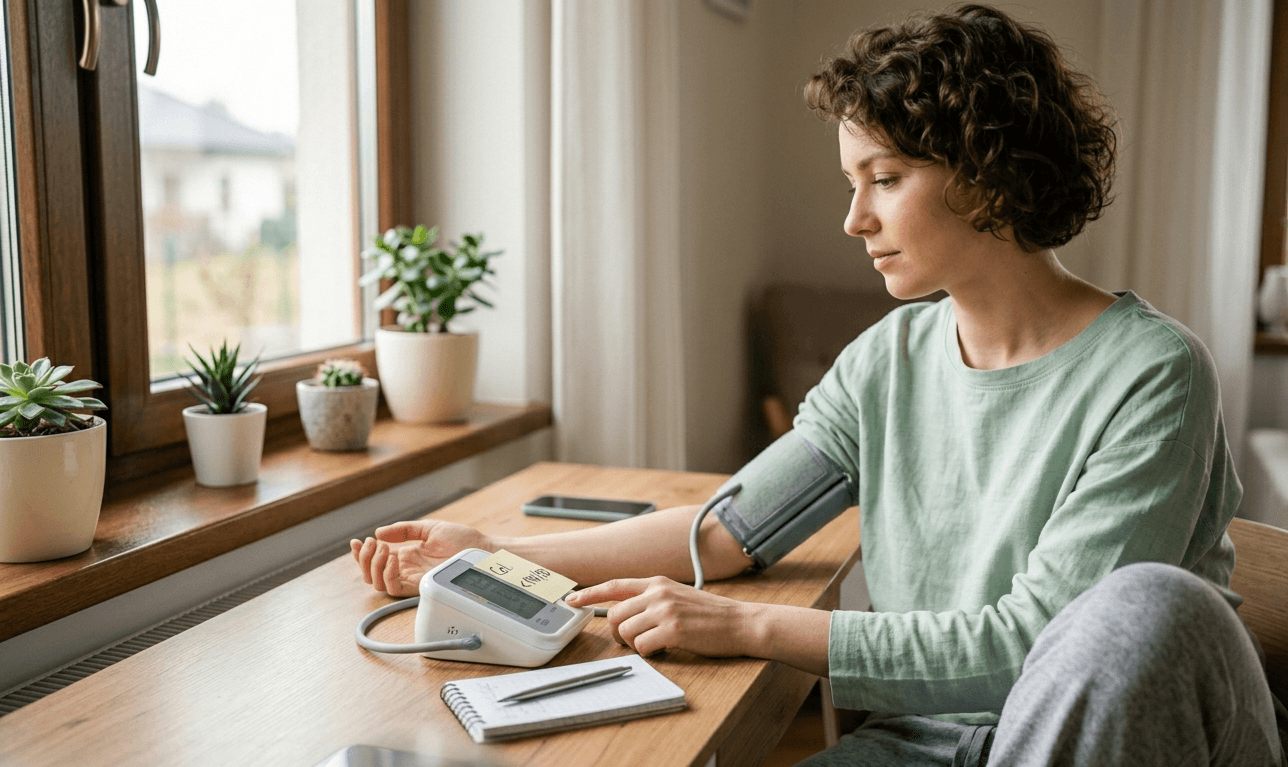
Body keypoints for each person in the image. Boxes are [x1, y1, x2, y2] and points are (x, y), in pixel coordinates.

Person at [353, 5, 1287, 765]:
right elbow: (726, 530)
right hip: (922, 746)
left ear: (992, 175)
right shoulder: (888, 359)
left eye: (883, 178)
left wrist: (747, 628)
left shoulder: (1153, 373)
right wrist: (496, 549)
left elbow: (1030, 649)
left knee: (1142, 610)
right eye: (852, 181)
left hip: (1115, 734)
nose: (854, 218)